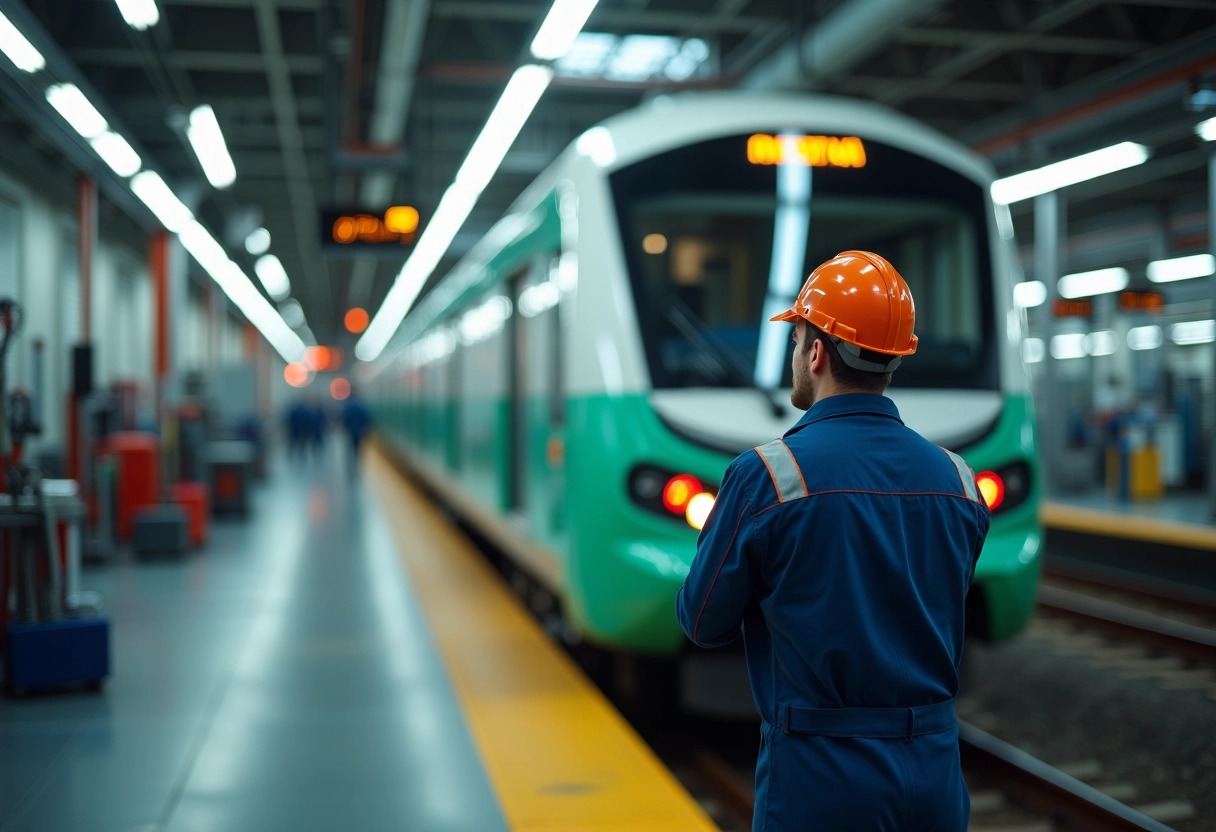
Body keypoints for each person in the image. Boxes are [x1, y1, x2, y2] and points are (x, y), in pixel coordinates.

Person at [676, 250, 991, 831]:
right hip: (935, 774)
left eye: (796, 341)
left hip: (821, 777)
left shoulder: (767, 475)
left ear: (816, 352)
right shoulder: (959, 479)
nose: (795, 355)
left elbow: (702, 620)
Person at [340, 387, 373, 475]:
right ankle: (357, 463)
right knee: (358, 448)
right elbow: (367, 419)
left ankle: (350, 464)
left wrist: (345, 427)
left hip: (351, 431)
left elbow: (344, 419)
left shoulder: (348, 406)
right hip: (359, 431)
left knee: (350, 447)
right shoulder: (361, 406)